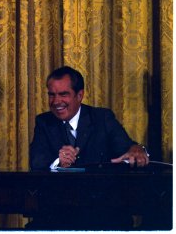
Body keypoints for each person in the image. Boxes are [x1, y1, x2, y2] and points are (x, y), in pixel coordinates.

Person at [29, 66, 150, 230]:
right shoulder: (44, 122)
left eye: (63, 94)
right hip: (59, 213)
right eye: (52, 94)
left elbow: (128, 148)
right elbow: (36, 162)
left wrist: (137, 148)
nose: (56, 101)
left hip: (102, 211)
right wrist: (58, 161)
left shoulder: (102, 118)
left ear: (80, 95)